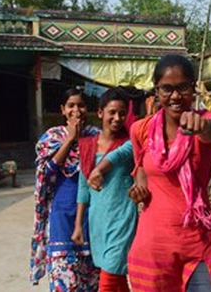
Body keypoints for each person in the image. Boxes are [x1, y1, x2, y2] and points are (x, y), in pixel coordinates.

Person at [90, 54, 211, 292]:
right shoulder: (141, 129)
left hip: (199, 241)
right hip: (154, 244)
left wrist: (201, 127)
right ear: (156, 91)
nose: (175, 96)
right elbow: (141, 168)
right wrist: (140, 188)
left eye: (182, 88)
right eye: (167, 89)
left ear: (193, 89)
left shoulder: (207, 120)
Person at [30, 88, 100, 292]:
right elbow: (46, 173)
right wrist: (70, 139)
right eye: (71, 105)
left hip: (91, 217)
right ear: (63, 109)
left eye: (81, 105)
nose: (76, 110)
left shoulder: (96, 138)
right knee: (64, 282)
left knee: (91, 282)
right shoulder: (52, 137)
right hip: (61, 217)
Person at [72, 87, 138, 292]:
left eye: (122, 113)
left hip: (123, 217)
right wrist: (78, 225)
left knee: (109, 279)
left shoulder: (130, 143)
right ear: (100, 113)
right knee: (116, 280)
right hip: (98, 221)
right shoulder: (86, 145)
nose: (117, 118)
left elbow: (119, 157)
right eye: (112, 112)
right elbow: (84, 188)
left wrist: (99, 169)